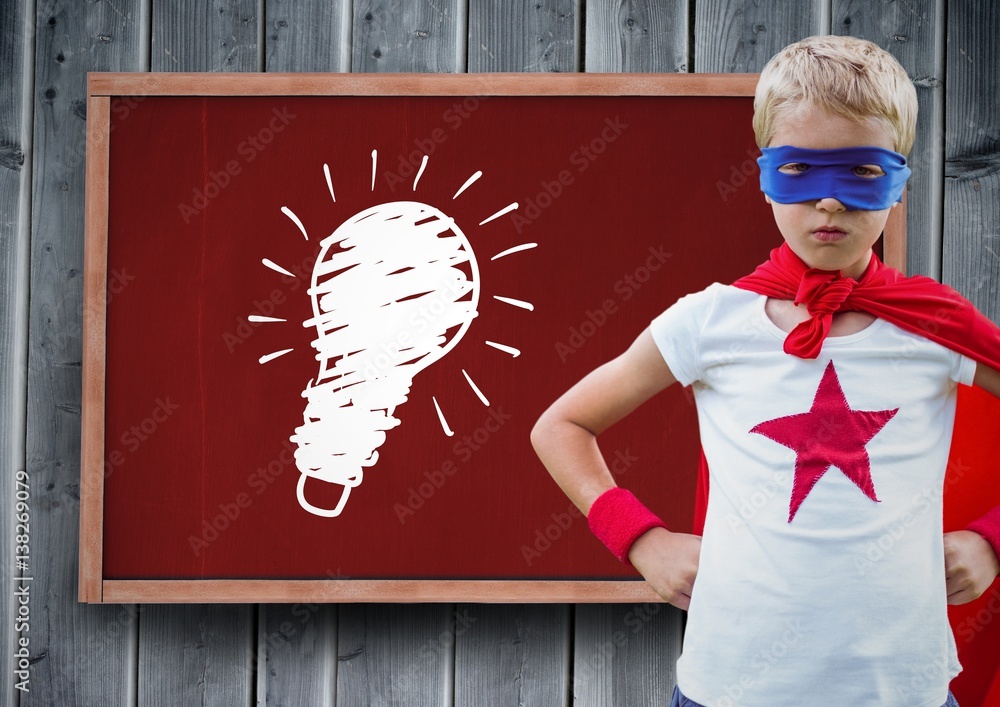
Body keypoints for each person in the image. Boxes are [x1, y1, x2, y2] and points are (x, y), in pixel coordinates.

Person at [531, 35, 1000, 707]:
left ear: (899, 177)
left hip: (903, 691)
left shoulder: (934, 325)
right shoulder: (709, 321)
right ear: (763, 174)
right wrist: (640, 538)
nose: (830, 203)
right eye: (801, 170)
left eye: (861, 172)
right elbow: (562, 424)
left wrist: (993, 538)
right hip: (728, 689)